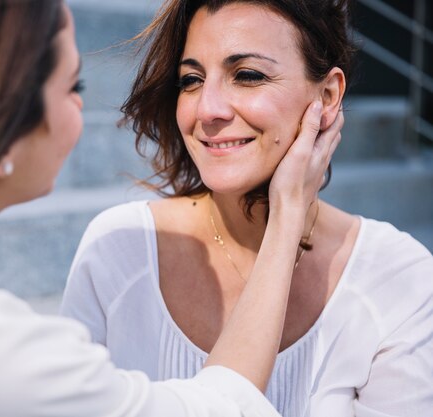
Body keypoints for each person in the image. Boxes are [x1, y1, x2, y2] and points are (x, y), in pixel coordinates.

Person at [0, 1, 341, 416]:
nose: (82, 108)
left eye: (247, 75)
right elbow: (223, 409)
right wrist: (288, 214)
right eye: (72, 85)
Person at [60, 0, 433, 416]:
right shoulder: (118, 250)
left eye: (248, 75)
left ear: (328, 96)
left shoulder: (398, 277)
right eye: (192, 79)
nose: (208, 109)